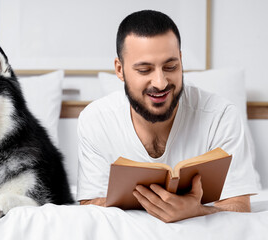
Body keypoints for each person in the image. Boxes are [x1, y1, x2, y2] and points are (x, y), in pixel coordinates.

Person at [76, 10, 259, 223]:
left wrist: (198, 212)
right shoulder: (95, 120)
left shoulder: (221, 116)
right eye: (144, 70)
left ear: (181, 60)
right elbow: (90, 208)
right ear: (120, 69)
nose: (161, 83)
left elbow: (239, 207)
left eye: (171, 67)